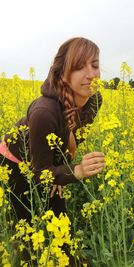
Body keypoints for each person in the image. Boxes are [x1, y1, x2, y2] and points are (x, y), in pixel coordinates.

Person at [0, 37, 105, 222]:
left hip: (47, 162)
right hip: (15, 161)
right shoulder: (44, 111)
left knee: (59, 220)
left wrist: (62, 170)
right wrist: (76, 171)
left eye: (95, 65)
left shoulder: (95, 100)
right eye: (80, 67)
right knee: (25, 222)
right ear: (63, 74)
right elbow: (42, 173)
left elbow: (76, 136)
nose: (91, 74)